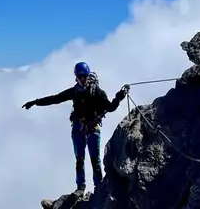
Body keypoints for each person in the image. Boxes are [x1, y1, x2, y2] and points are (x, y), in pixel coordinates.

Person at [22, 62, 129, 193]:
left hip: (90, 128)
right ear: (76, 77)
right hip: (79, 128)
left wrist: (118, 98)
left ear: (88, 76)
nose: (82, 79)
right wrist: (35, 102)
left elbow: (110, 108)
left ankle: (98, 187)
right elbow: (55, 99)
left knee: (94, 159)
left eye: (84, 76)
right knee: (80, 159)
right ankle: (81, 188)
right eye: (80, 76)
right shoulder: (75, 92)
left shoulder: (97, 93)